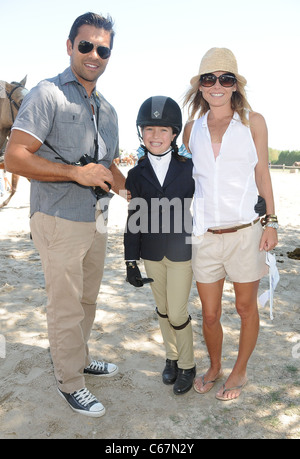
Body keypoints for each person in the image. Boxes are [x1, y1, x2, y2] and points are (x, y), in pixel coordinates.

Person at [4, 12, 127, 417]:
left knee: (87, 298)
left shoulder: (107, 109)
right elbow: (14, 157)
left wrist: (140, 194)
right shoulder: (47, 94)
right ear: (70, 45)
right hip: (58, 217)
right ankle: (69, 381)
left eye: (103, 48)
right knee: (65, 302)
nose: (95, 54)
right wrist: (75, 173)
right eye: (87, 45)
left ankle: (78, 356)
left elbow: (108, 167)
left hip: (97, 218)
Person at [183, 48, 278, 401]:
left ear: (236, 85)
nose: (217, 85)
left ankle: (239, 370)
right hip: (205, 237)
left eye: (226, 78)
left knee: (244, 308)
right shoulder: (191, 129)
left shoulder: (254, 122)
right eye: (210, 79)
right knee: (209, 314)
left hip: (245, 233)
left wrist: (271, 222)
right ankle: (215, 365)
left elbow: (263, 175)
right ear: (201, 87)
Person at [124, 96, 196, 395]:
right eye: (149, 129)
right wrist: (130, 261)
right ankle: (172, 357)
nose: (156, 136)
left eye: (163, 130)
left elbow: (216, 194)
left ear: (174, 133)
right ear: (141, 132)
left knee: (178, 312)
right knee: (163, 310)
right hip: (151, 253)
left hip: (182, 250)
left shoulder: (191, 168)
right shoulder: (135, 174)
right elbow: (133, 219)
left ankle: (189, 365)